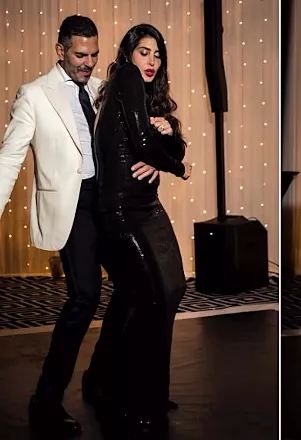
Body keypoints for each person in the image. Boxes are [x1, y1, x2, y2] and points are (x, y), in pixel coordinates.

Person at [0, 16, 161, 438]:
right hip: (72, 209)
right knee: (85, 297)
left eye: (93, 54)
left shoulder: (101, 89)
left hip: (109, 204)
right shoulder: (35, 95)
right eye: (79, 55)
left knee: (132, 287)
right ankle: (45, 400)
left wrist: (159, 135)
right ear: (60, 51)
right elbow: (9, 158)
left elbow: (132, 136)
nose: (88, 63)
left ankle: (99, 376)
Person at [91, 23, 192, 436]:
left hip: (147, 206)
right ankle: (132, 395)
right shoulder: (126, 77)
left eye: (157, 54)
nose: (151, 62)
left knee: (170, 289)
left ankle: (129, 385)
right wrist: (179, 168)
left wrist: (169, 132)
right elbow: (147, 148)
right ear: (129, 54)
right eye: (144, 52)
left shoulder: (147, 95)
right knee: (150, 298)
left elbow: (168, 144)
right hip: (122, 210)